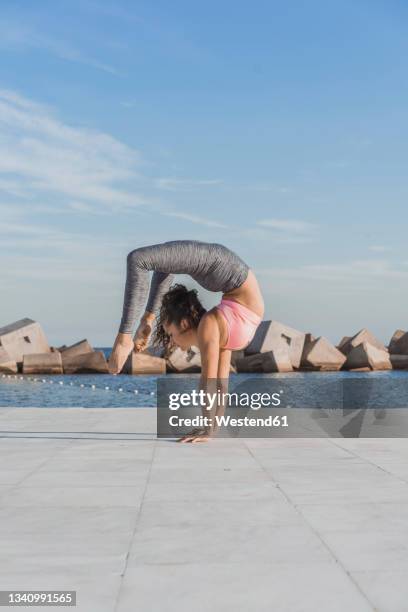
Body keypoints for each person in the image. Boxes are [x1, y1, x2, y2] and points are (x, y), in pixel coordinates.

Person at [108, 240, 264, 442]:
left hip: (223, 267)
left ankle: (124, 337)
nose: (172, 343)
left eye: (170, 334)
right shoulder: (218, 326)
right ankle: (145, 320)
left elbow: (206, 383)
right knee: (160, 264)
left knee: (138, 259)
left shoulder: (210, 324)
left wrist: (207, 430)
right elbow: (221, 385)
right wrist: (211, 430)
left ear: (183, 323)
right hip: (232, 280)